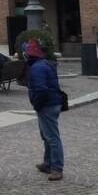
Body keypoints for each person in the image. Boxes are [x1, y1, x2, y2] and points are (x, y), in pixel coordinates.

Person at [24, 39, 64, 181]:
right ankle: (48, 163)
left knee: (52, 137)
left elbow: (41, 89)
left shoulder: (37, 68)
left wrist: (37, 104)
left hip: (47, 105)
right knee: (47, 136)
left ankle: (56, 167)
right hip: (51, 103)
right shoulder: (44, 64)